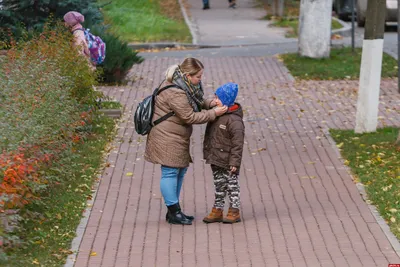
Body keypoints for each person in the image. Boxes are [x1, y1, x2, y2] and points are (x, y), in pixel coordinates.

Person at [144, 58, 228, 225]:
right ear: (188, 76)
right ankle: (174, 212)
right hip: (166, 136)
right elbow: (189, 116)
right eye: (198, 77)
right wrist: (214, 113)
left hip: (176, 136)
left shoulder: (184, 86)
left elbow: (194, 102)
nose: (200, 80)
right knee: (170, 172)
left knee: (179, 171)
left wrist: (210, 103)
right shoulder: (175, 91)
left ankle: (173, 211)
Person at [202, 82, 244, 224]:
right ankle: (217, 209)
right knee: (219, 184)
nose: (215, 100)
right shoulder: (218, 114)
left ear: (225, 100)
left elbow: (237, 145)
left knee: (232, 185)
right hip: (216, 158)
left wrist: (234, 163)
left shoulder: (234, 121)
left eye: (218, 97)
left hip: (228, 160)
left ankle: (234, 210)